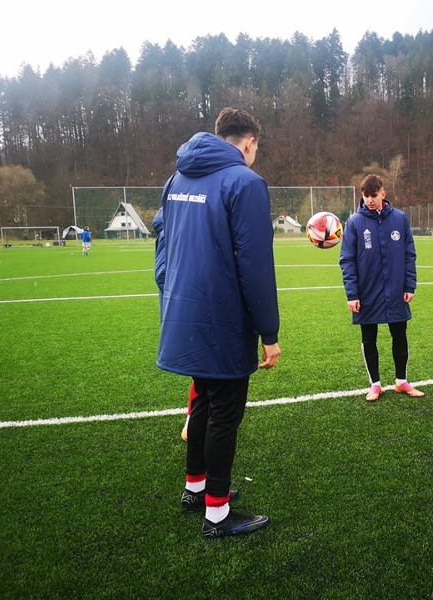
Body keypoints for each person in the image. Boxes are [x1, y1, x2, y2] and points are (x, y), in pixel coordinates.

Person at [157, 107, 281, 538]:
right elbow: (255, 266)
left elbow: (162, 247)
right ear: (250, 142)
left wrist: (172, 293)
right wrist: (269, 332)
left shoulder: (177, 178)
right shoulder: (245, 182)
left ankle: (196, 489)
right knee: (224, 413)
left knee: (203, 404)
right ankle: (217, 515)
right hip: (222, 319)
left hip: (184, 311)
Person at [339, 174, 424, 402]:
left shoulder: (399, 219)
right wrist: (352, 294)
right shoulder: (354, 222)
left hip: (396, 291)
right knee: (369, 338)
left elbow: (409, 254)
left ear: (383, 194)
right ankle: (375, 385)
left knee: (400, 335)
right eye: (366, 196)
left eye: (373, 195)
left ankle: (401, 381)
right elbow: (347, 260)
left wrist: (409, 285)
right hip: (367, 293)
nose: (369, 200)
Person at [152, 206, 194, 443]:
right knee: (207, 371)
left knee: (205, 372)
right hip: (190, 310)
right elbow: (164, 275)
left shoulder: (176, 220)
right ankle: (193, 420)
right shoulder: (174, 226)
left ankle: (195, 419)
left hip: (185, 309)